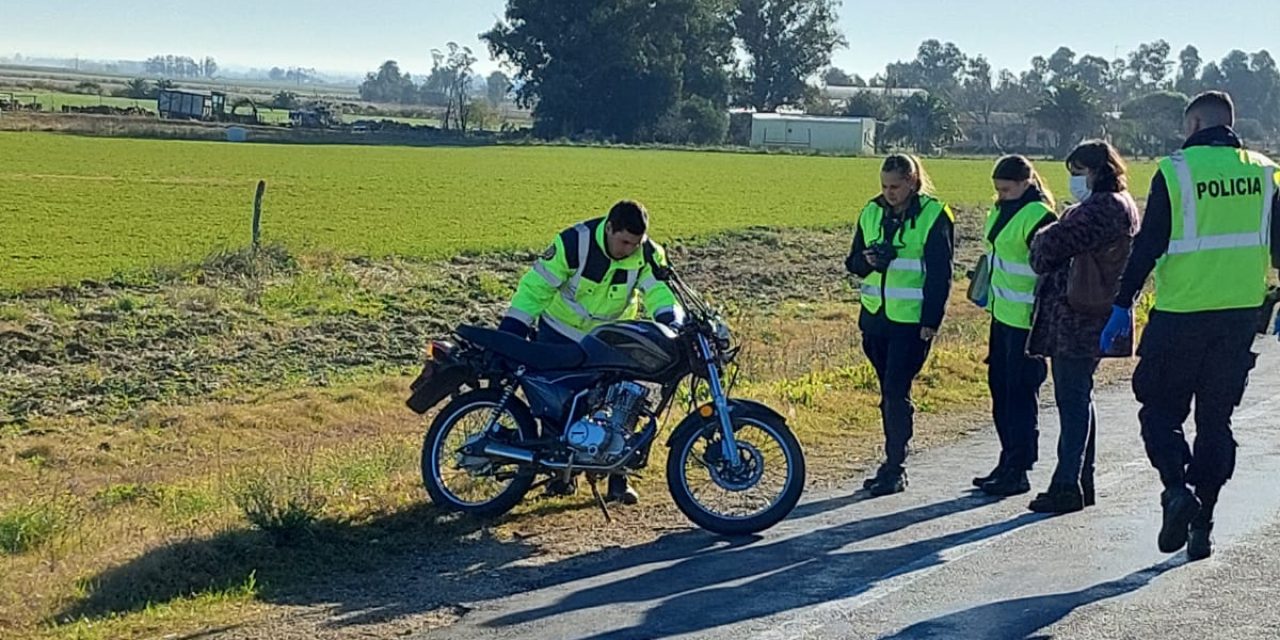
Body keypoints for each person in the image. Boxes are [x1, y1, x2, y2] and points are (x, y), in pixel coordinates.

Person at [1101, 91, 1280, 560]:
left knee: (1159, 412)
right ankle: (1204, 523)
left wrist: (1122, 303)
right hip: (1240, 317)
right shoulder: (1265, 172)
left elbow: (1148, 246)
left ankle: (1177, 489)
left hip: (1181, 316)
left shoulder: (1176, 171)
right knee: (1215, 421)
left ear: (1195, 123)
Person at [497, 200, 686, 505]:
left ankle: (618, 481)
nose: (629, 249)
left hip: (612, 339)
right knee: (556, 406)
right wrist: (513, 328)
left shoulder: (647, 253)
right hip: (561, 332)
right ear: (609, 228)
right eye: (624, 241)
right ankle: (560, 477)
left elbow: (658, 291)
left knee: (624, 405)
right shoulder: (574, 242)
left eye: (635, 243)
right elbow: (536, 287)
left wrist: (671, 320)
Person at [1025, 141, 1139, 514]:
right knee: (1080, 398)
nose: (1074, 180)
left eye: (1077, 172)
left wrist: (1049, 231)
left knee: (1071, 401)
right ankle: (1079, 480)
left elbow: (1045, 251)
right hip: (1099, 311)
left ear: (1094, 171)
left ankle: (1066, 484)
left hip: (1076, 315)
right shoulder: (1124, 205)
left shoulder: (1097, 209)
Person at [845, 154, 955, 496]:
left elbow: (941, 273)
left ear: (912, 182)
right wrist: (867, 260)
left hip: (911, 321)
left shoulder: (935, 214)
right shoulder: (871, 211)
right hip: (875, 318)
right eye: (884, 186)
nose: (889, 193)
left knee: (896, 392)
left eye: (895, 186)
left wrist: (931, 321)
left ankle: (895, 466)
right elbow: (852, 262)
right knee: (888, 394)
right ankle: (891, 462)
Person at [973, 155, 1058, 497]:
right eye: (997, 189)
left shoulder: (1039, 215)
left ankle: (1020, 468)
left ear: (1025, 183)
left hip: (1027, 322)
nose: (1001, 195)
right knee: (1001, 392)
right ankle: (1007, 460)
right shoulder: (1000, 210)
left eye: (1006, 189)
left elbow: (1049, 267)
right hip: (1002, 315)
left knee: (1021, 396)